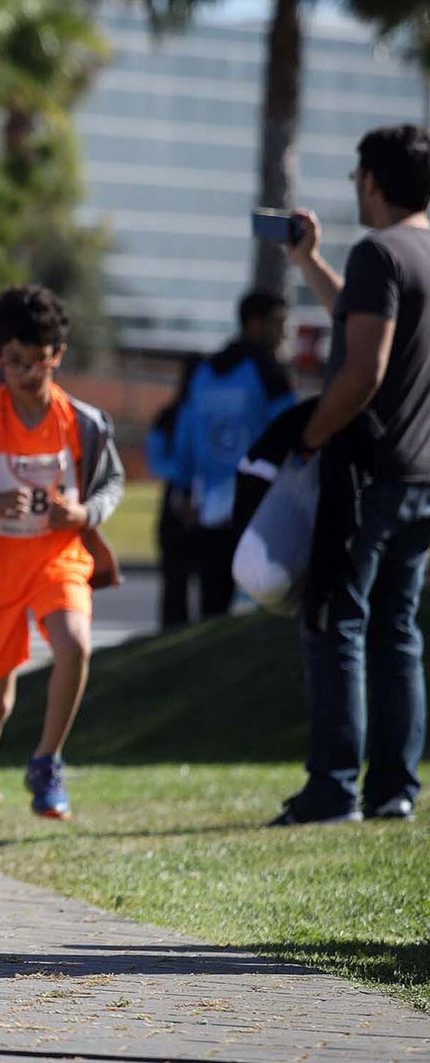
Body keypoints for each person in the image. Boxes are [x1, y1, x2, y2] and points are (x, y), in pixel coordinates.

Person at [0, 285, 125, 849]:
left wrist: (81, 511)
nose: (26, 373)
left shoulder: (83, 422)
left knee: (75, 645)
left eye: (37, 361)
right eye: (14, 362)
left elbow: (111, 483)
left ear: (56, 355)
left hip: (59, 560)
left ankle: (47, 762)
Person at [271, 123, 430, 826]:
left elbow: (363, 368)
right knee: (398, 629)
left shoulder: (380, 252)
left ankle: (334, 789)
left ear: (373, 181)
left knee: (336, 620)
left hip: (369, 471)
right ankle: (394, 788)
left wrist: (309, 434)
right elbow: (360, 315)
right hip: (424, 475)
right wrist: (311, 261)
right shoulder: (412, 254)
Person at [172, 292, 296, 618]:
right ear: (255, 324)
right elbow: (291, 431)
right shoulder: (268, 372)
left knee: (213, 604)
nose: (284, 334)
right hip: (258, 502)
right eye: (279, 324)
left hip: (209, 505)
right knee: (264, 601)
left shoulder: (204, 371)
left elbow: (186, 434)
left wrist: (182, 488)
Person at [145, 355, 202, 628]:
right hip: (177, 506)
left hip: (205, 503)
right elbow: (156, 461)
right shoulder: (169, 417)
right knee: (175, 582)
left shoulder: (202, 414)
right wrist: (184, 479)